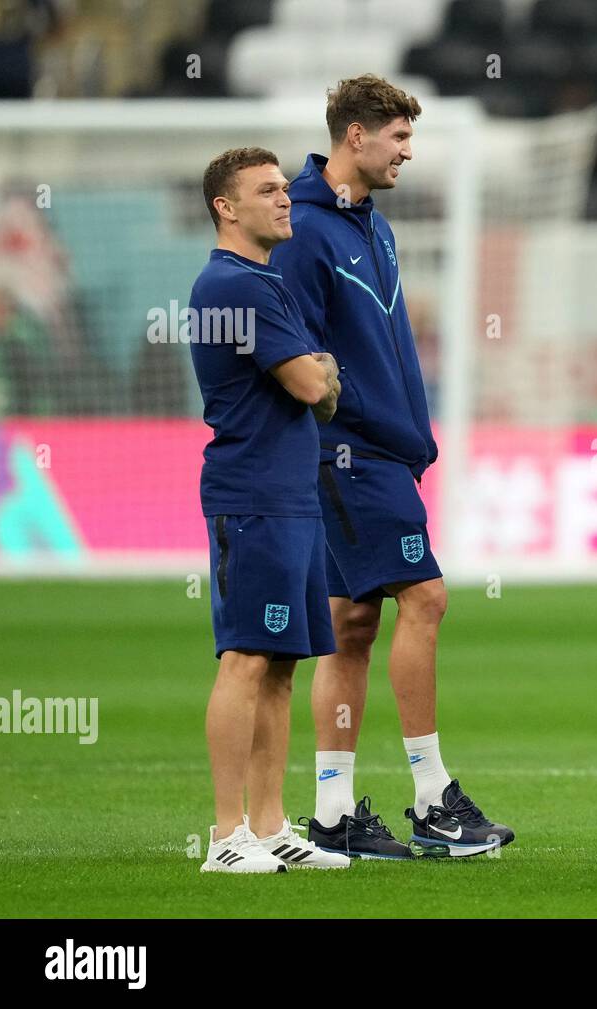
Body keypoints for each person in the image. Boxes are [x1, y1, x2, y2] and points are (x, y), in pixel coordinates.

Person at [270, 75, 512, 860]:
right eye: (399, 139)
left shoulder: (372, 225)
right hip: (348, 450)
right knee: (427, 597)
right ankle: (434, 796)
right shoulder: (305, 229)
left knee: (351, 625)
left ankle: (334, 812)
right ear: (355, 136)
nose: (409, 152)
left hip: (383, 449)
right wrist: (343, 430)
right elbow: (295, 353)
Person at [189, 146, 347, 873]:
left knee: (281, 664)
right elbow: (313, 384)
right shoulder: (234, 286)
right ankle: (225, 836)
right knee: (247, 657)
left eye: (285, 188)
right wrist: (318, 371)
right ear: (227, 207)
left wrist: (316, 371)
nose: (286, 199)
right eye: (267, 190)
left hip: (289, 495)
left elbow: (312, 377)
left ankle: (271, 823)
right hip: (253, 496)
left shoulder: (259, 280)